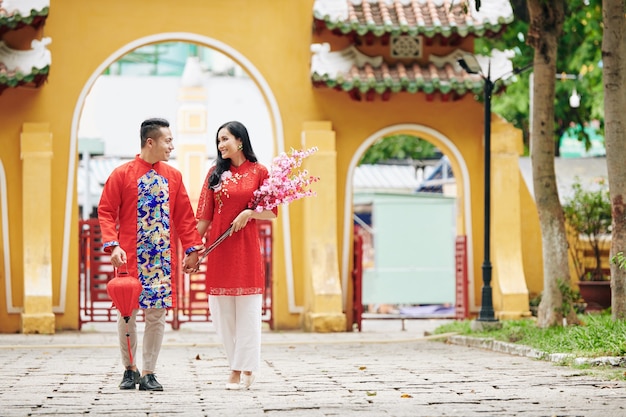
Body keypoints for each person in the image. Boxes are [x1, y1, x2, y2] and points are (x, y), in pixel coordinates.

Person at [98, 117, 204, 391]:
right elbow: (106, 211)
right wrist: (113, 245)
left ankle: (148, 372)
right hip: (129, 259)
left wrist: (192, 250)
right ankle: (129, 369)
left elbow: (184, 218)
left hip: (161, 261)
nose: (171, 146)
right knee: (127, 314)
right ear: (150, 142)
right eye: (167, 140)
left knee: (156, 315)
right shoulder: (122, 174)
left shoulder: (173, 176)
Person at [196, 121, 277, 390]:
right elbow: (204, 218)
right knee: (221, 314)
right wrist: (193, 249)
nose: (220, 145)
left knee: (248, 312)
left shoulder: (259, 172)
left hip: (246, 250)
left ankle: (238, 369)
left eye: (225, 139)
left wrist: (249, 212)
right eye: (218, 140)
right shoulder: (214, 174)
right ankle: (240, 364)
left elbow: (272, 211)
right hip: (219, 251)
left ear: (240, 141)